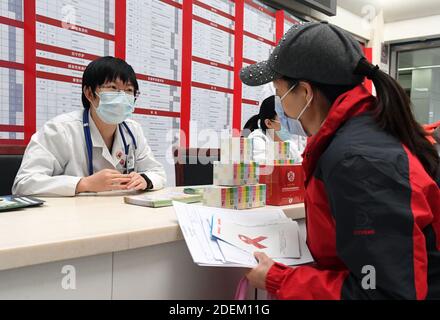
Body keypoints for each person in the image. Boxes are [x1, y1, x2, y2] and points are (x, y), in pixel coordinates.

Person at [240, 21, 440, 299]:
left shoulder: (359, 161)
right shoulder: (362, 133)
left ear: (306, 93)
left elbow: (386, 293)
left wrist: (280, 280)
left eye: (279, 92)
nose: (280, 105)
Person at [13, 57, 166, 196]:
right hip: (70, 219)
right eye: (113, 88)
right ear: (89, 93)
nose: (122, 96)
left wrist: (145, 179)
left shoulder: (133, 130)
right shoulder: (60, 129)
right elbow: (24, 183)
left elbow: (157, 172)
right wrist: (84, 184)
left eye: (129, 90)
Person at [243, 95, 305, 163]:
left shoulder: (289, 145)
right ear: (269, 123)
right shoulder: (256, 140)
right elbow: (264, 167)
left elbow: (303, 166)